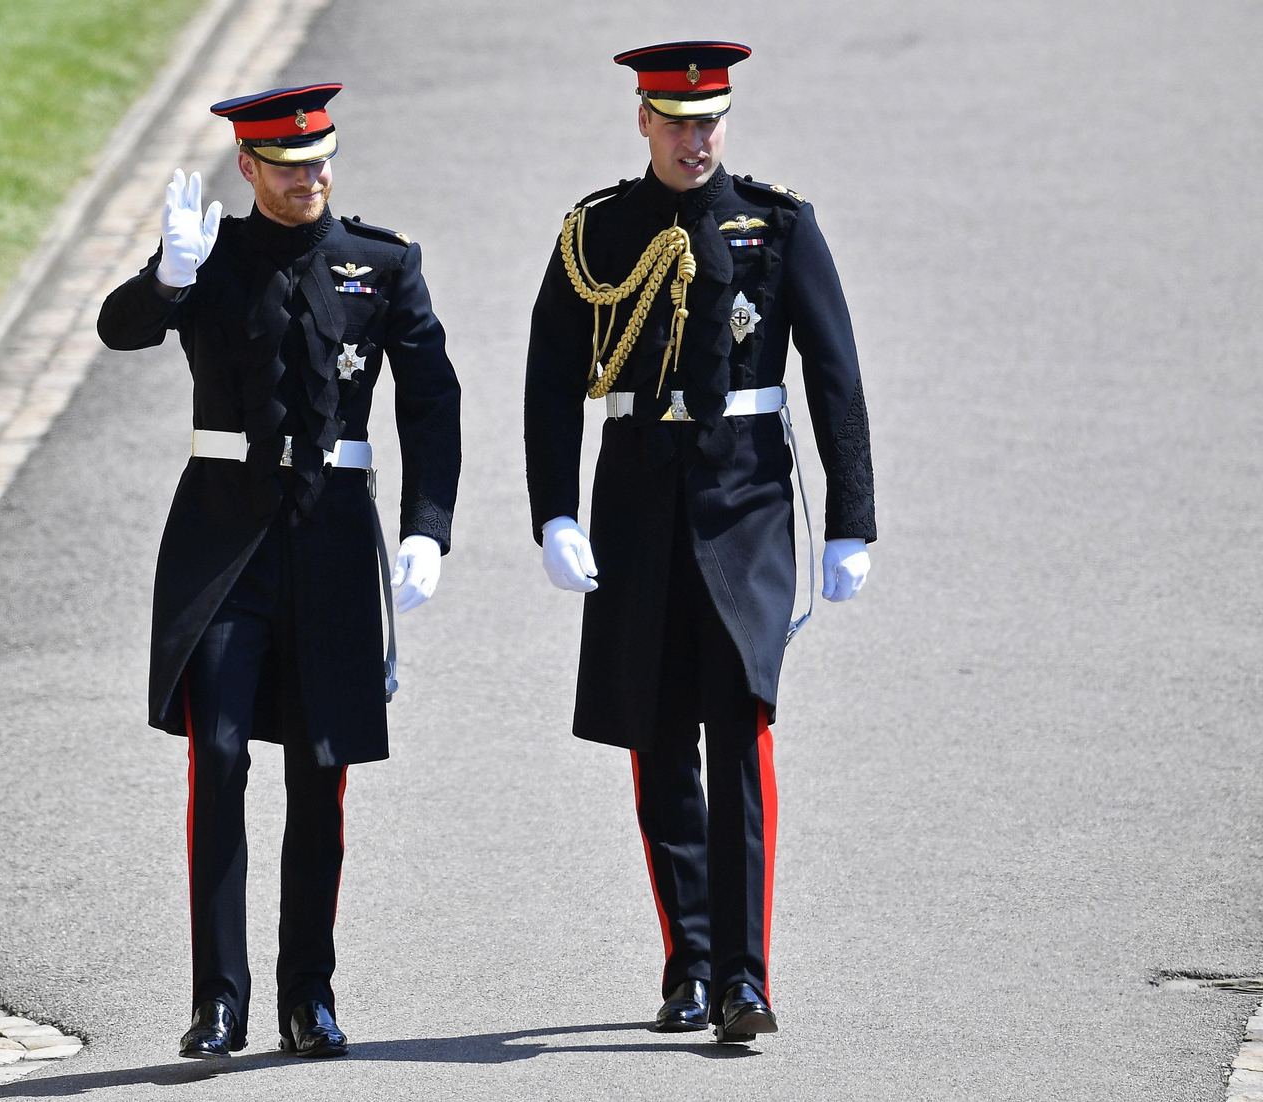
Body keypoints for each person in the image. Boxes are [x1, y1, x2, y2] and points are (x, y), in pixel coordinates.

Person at [97, 82, 461, 1060]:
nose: (311, 179)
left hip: (332, 538)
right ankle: (219, 999)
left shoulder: (382, 262)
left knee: (319, 769)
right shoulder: (211, 257)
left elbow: (432, 399)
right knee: (216, 756)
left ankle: (309, 995)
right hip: (225, 541)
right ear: (249, 167)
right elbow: (119, 329)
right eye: (290, 166)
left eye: (321, 161)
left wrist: (427, 527)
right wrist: (168, 278)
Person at [523, 40, 877, 1044]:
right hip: (637, 496)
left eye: (710, 119)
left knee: (740, 721)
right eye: (677, 121)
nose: (696, 138)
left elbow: (835, 377)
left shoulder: (778, 224)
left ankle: (744, 978)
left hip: (746, 500)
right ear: (643, 119)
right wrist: (554, 510)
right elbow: (551, 378)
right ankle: (688, 960)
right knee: (658, 730)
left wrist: (851, 520)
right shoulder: (597, 231)